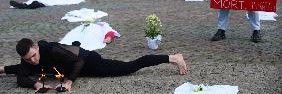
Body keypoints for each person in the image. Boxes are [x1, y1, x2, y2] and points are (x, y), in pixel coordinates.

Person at [0, 38, 187, 92]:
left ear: (35, 47)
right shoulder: (28, 59)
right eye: (28, 59)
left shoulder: (51, 50)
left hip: (88, 61)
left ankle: (173, 57)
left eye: (33, 55)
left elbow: (79, 61)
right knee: (33, 70)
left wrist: (69, 82)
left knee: (128, 67)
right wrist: (37, 84)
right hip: (67, 62)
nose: (32, 59)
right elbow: (21, 75)